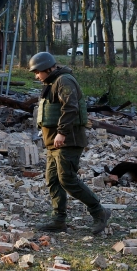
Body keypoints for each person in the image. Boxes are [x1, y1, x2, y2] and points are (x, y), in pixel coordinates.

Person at [29, 51, 111, 234]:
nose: (36, 76)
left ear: (47, 69)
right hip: (54, 142)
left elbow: (70, 107)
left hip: (68, 140)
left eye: (37, 72)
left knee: (67, 179)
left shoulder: (64, 81)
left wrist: (62, 132)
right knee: (53, 180)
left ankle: (99, 212)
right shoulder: (52, 83)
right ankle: (58, 220)